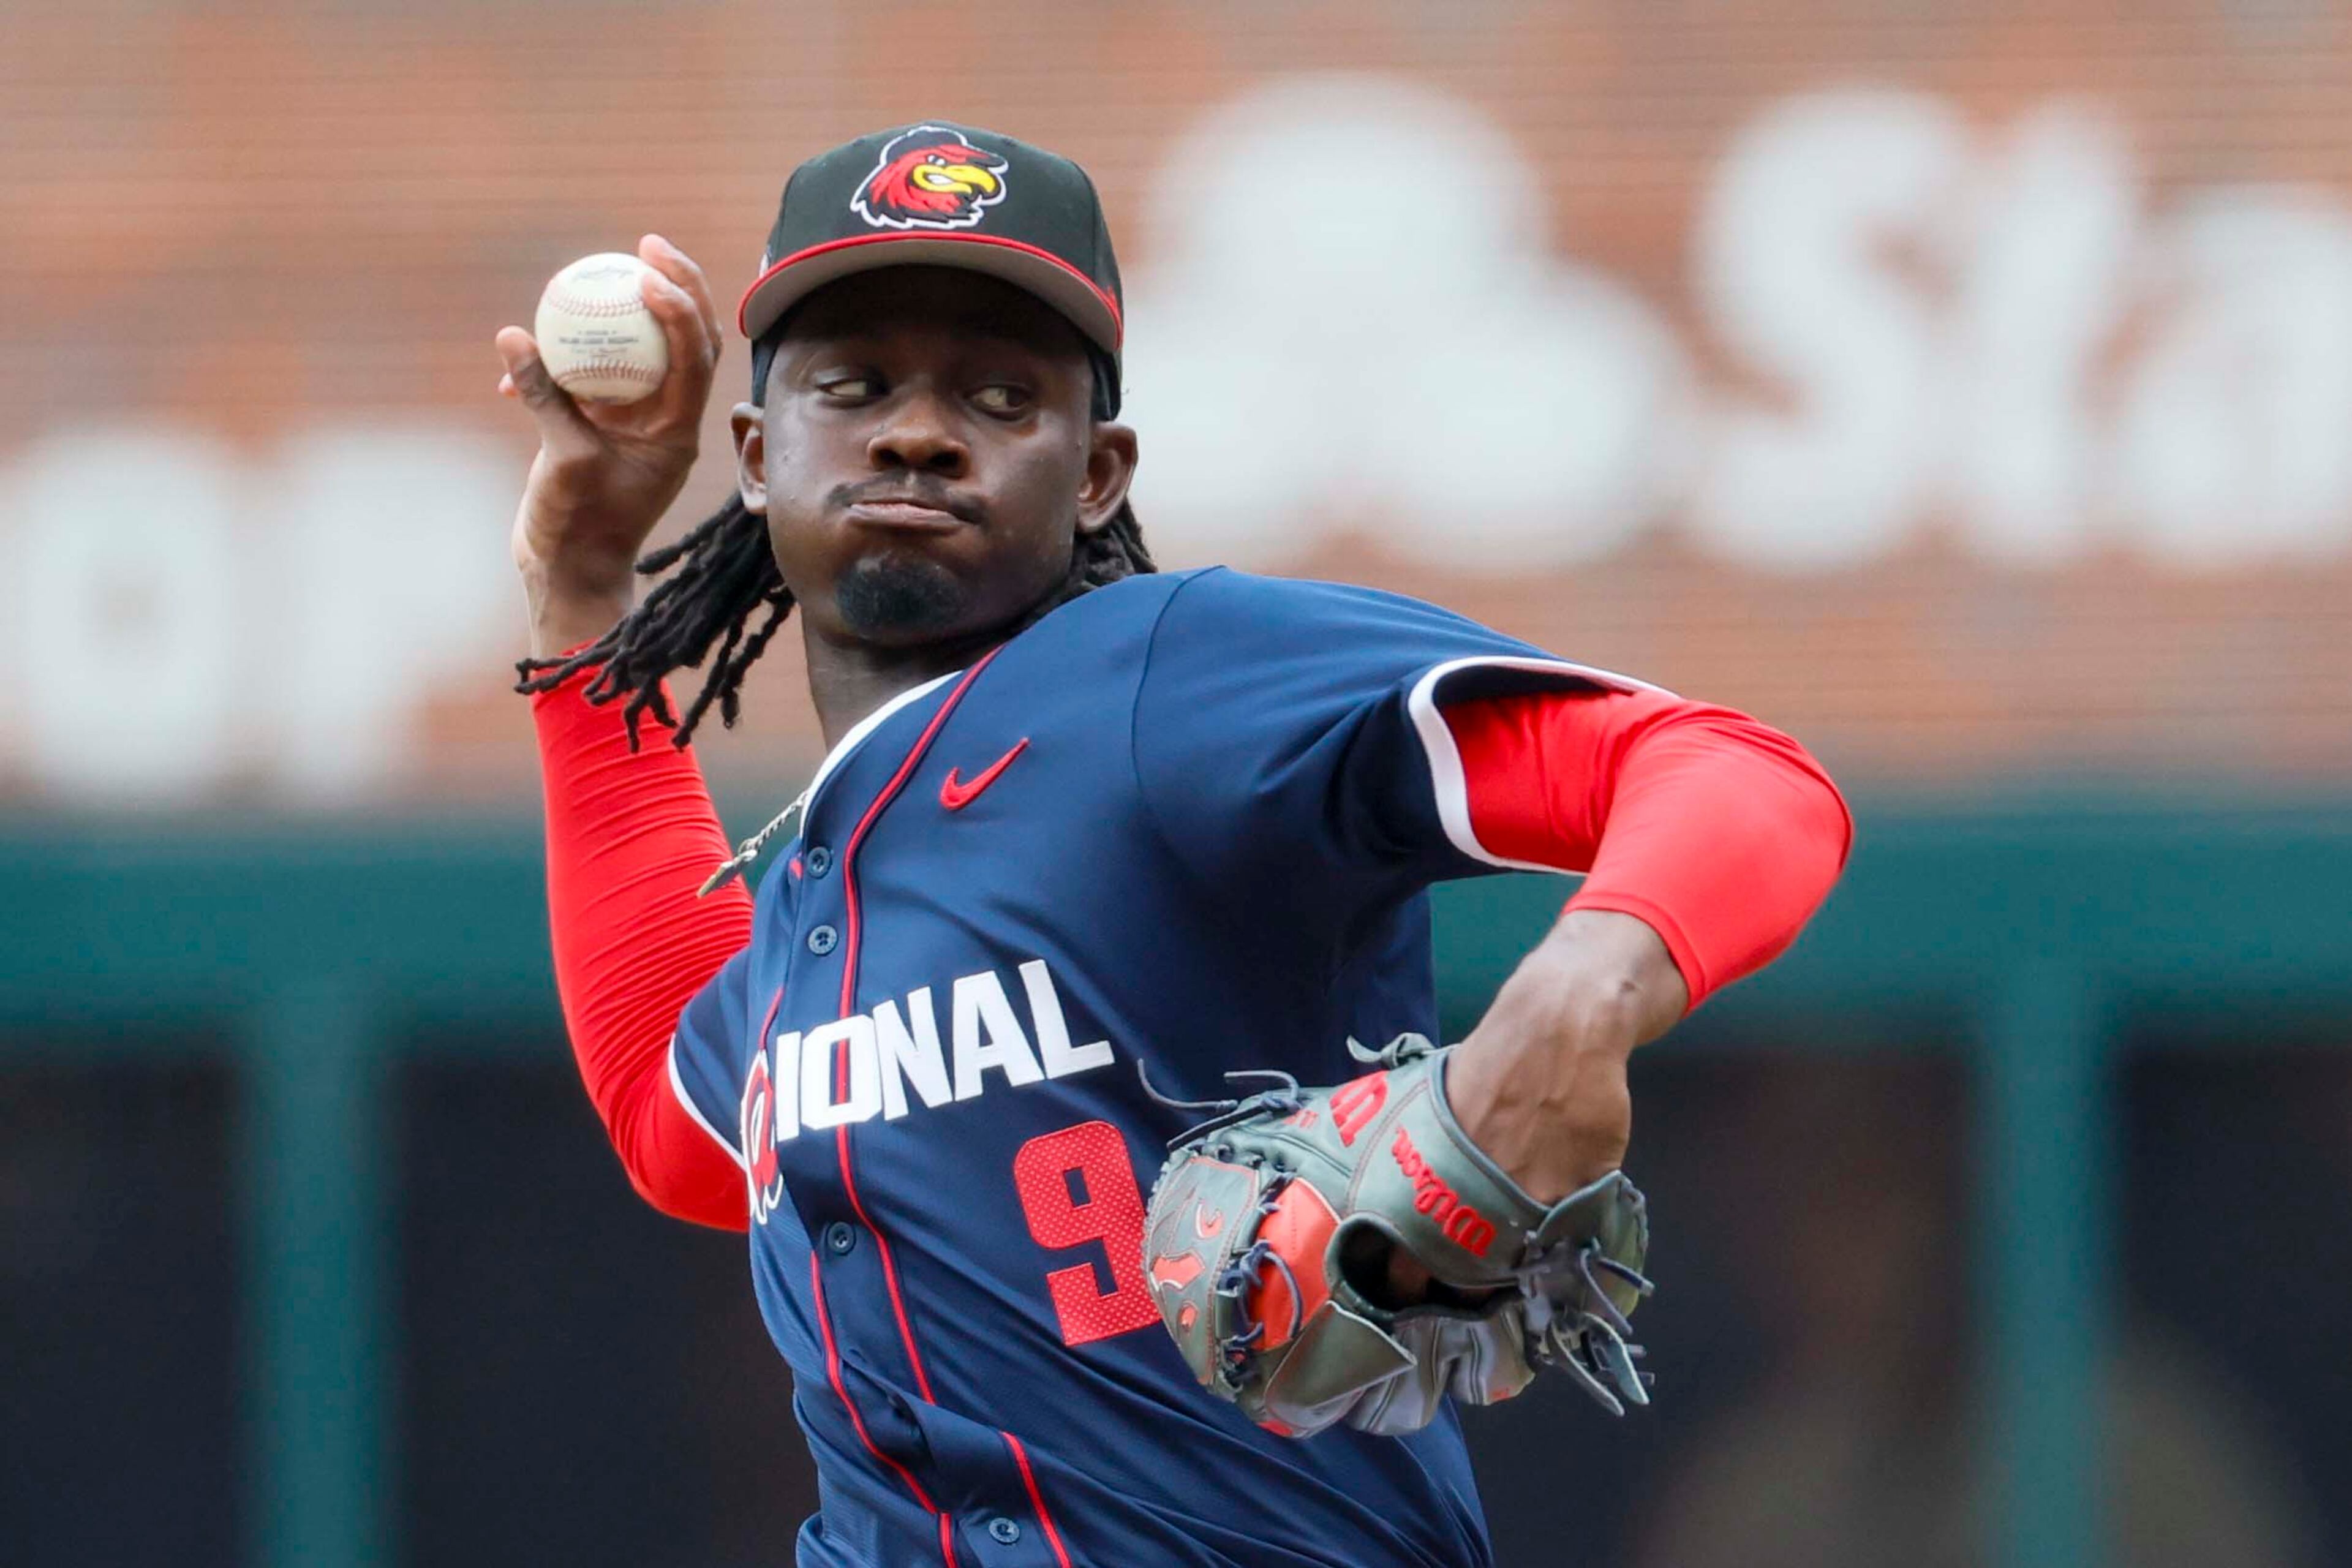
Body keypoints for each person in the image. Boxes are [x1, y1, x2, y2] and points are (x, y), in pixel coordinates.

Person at [494, 121, 1850, 1567]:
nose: (916, 428)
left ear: (1097, 474)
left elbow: (1727, 769)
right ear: (757, 458)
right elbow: (673, 1113)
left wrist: (1582, 986)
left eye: (1000, 394)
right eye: (856, 383)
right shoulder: (829, 881)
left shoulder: (1170, 674)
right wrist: (583, 589)